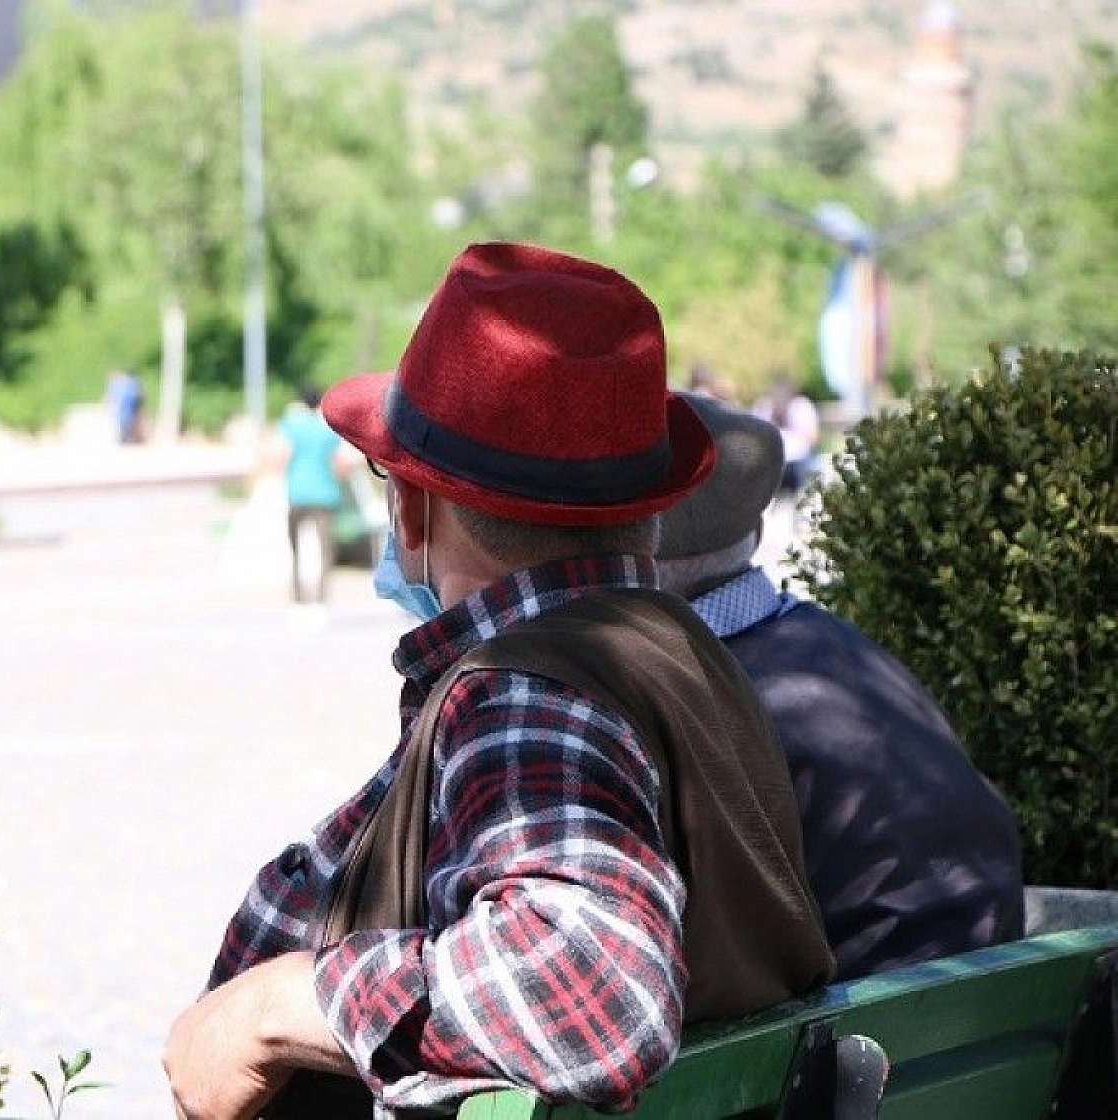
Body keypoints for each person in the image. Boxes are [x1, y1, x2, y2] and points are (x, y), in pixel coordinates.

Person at [165, 243, 833, 1120]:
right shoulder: (687, 657)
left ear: (411, 506)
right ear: (645, 512)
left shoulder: (528, 693)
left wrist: (273, 1005)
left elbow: (595, 999)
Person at [658, 392, 1026, 980]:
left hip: (856, 1051)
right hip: (980, 1029)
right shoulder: (835, 648)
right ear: (753, 532)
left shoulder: (705, 700)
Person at [274, 385, 353, 603]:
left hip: (297, 492)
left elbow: (282, 456)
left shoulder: (291, 425)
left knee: (295, 547)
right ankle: (321, 596)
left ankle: (298, 595)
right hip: (325, 493)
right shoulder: (327, 428)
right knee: (325, 549)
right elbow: (340, 463)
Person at [752, 371, 821, 491]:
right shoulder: (764, 407)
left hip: (798, 462)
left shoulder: (801, 406)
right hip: (772, 462)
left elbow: (813, 437)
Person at [106, 367, 145, 445]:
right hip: (131, 407)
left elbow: (112, 396)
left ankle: (125, 438)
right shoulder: (132, 383)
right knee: (128, 422)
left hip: (127, 407)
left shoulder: (123, 384)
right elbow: (139, 395)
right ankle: (128, 438)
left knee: (125, 422)